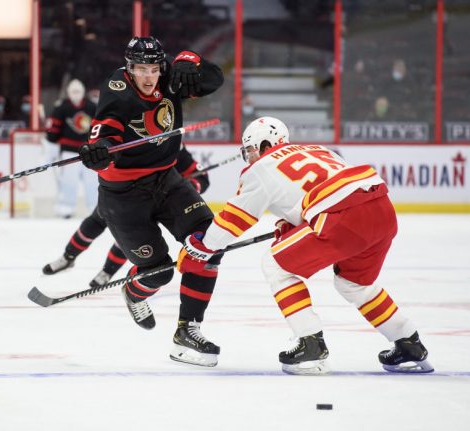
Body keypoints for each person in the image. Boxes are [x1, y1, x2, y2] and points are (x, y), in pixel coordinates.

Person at [177, 116, 433, 375]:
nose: (250, 157)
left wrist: (201, 249)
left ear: (266, 144)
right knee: (355, 284)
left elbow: (233, 221)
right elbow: (324, 191)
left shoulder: (261, 168)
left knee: (276, 266)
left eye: (251, 150)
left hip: (343, 217)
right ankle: (408, 342)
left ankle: (311, 343)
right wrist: (299, 222)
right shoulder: (319, 150)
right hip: (382, 210)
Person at [78, 36, 224, 367]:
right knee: (158, 273)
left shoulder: (171, 75)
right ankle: (134, 292)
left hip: (166, 178)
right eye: (140, 69)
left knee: (210, 241)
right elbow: (104, 137)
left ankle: (189, 330)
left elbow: (215, 79)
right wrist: (98, 152)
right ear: (129, 69)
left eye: (154, 69)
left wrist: (191, 60)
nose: (148, 77)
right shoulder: (117, 88)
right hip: (123, 195)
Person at [42, 143, 211, 291]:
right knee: (94, 222)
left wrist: (188, 187)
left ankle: (107, 272)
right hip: (121, 196)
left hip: (160, 200)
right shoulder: (139, 140)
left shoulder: (174, 146)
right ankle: (68, 257)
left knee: (130, 240)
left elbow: (201, 178)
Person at [45, 79, 99, 218]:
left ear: (83, 92)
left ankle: (95, 208)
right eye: (73, 91)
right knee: (68, 182)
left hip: (89, 151)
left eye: (78, 91)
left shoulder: (92, 107)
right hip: (69, 151)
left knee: (92, 182)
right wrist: (51, 147)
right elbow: (53, 130)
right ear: (69, 93)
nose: (76, 94)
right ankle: (66, 208)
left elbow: (99, 128)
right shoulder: (61, 107)